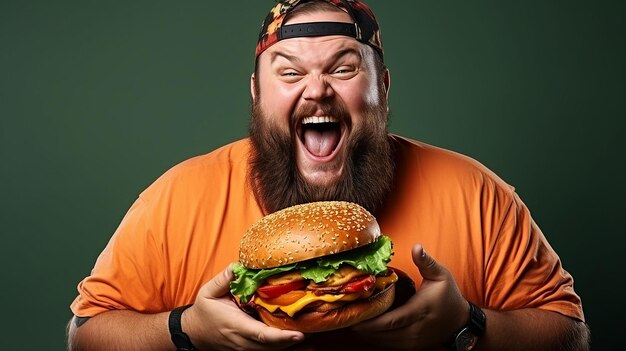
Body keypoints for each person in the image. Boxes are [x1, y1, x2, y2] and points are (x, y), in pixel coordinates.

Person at [67, 1, 590, 350]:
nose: (316, 91)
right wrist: (186, 329)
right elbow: (84, 334)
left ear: (382, 87)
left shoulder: (476, 192)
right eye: (290, 72)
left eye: (343, 68)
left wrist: (468, 323)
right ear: (256, 92)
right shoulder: (177, 197)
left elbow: (571, 335)